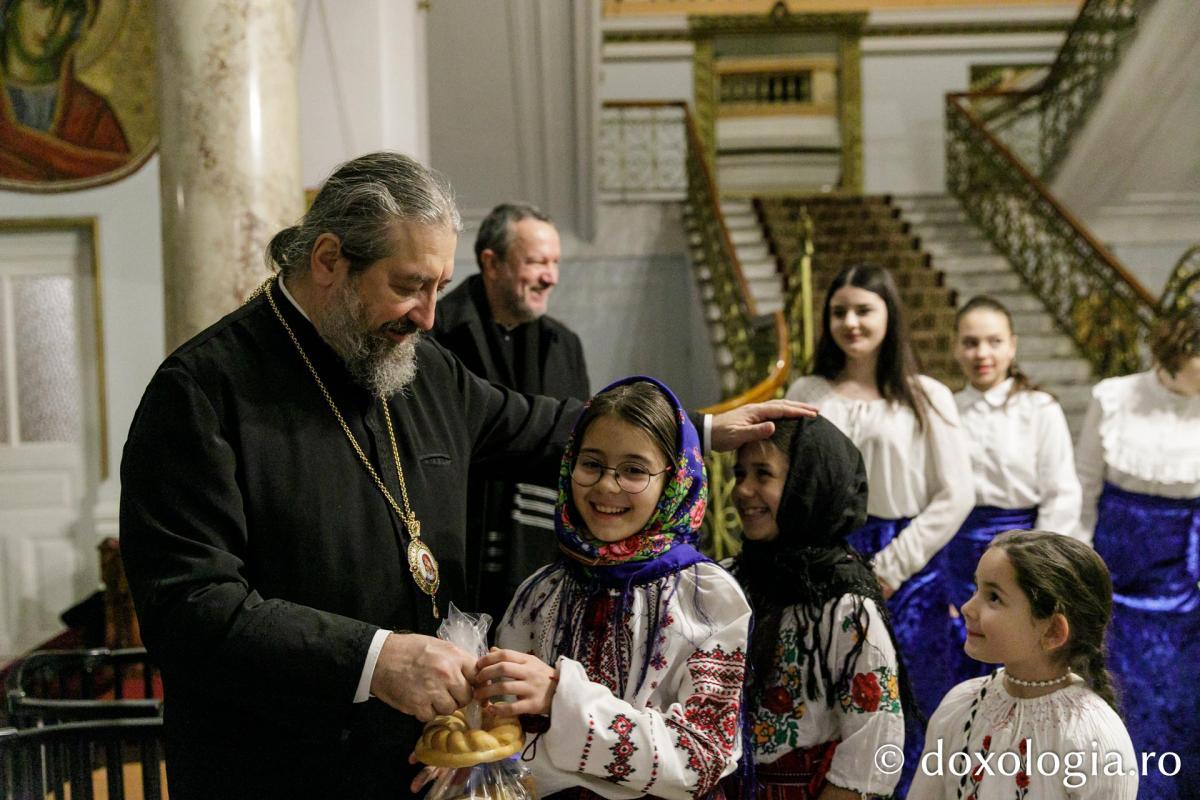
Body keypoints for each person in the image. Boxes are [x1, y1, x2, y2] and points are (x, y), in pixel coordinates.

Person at [119, 152, 814, 800]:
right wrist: (373, 657)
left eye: (439, 289)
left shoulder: (420, 370)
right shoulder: (203, 390)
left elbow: (542, 426)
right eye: (408, 286)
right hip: (275, 770)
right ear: (329, 258)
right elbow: (190, 607)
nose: (426, 316)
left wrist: (692, 429)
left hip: (420, 765)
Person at [468, 377, 752, 799]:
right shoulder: (540, 593)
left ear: (674, 480)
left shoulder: (706, 598)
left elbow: (700, 757)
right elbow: (503, 732)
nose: (606, 485)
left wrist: (561, 697)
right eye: (592, 464)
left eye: (634, 470)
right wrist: (470, 758)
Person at [784, 264, 973, 732]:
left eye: (864, 310)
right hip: (823, 560)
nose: (851, 322)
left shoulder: (926, 396)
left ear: (889, 315)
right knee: (827, 704)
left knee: (907, 708)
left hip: (906, 569)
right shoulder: (807, 392)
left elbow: (957, 494)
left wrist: (889, 568)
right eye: (839, 311)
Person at [730, 416, 910, 800]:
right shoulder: (729, 582)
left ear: (808, 485)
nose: (743, 490)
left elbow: (874, 745)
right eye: (739, 473)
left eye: (763, 474)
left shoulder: (845, 605)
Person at [433, 202, 590, 625]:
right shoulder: (438, 331)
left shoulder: (564, 344)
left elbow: (576, 449)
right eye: (537, 261)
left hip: (544, 565)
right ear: (492, 262)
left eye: (555, 262)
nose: (550, 276)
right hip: (457, 552)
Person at [1074, 305, 1200, 800]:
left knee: (1182, 709)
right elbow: (1083, 489)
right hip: (1114, 588)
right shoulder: (1113, 398)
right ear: (1181, 349)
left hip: (1184, 595)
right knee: (1115, 708)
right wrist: (1079, 573)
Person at [910, 531, 1138, 799]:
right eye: (976, 589)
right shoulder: (960, 705)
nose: (968, 608)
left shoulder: (1092, 737)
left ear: (1053, 630)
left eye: (994, 597)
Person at [948, 296, 1081, 683]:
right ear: (956, 347)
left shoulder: (1039, 409)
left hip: (1023, 552)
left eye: (994, 341)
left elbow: (1061, 493)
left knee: (1017, 656)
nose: (982, 353)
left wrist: (1040, 565)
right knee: (960, 661)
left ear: (1012, 345)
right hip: (957, 553)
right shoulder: (945, 410)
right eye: (970, 342)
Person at [0, 0, 131, 181]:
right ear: (8, 8)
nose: (52, 24)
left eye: (71, 10)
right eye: (43, 3)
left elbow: (122, 189)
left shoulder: (94, 115)